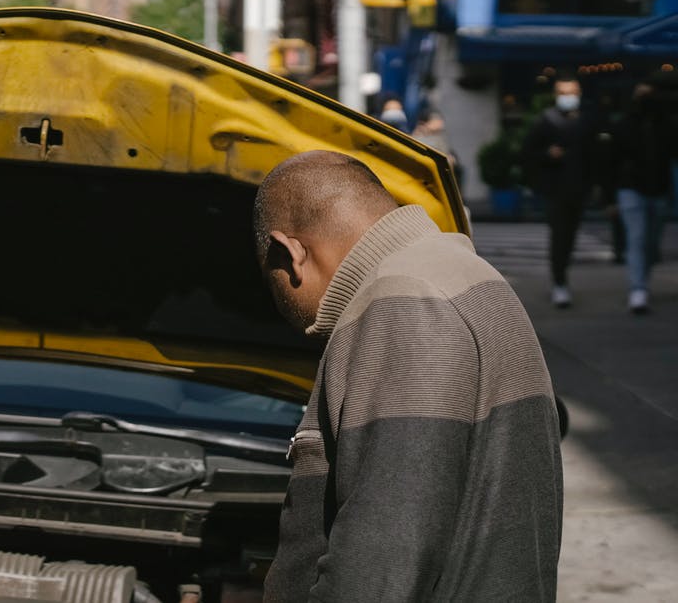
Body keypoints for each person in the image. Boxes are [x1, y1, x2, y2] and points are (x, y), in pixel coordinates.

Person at [254, 151, 563, 601]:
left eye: (272, 282)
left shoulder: (400, 300)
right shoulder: (457, 273)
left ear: (291, 252)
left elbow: (383, 561)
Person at [521, 75, 599, 308]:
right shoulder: (546, 121)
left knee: (570, 236)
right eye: (564, 93)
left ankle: (562, 278)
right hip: (555, 190)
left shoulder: (585, 120)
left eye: (573, 92)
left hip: (579, 188)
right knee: (560, 236)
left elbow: (594, 154)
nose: (569, 97)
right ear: (556, 95)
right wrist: (548, 154)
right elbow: (527, 154)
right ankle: (559, 282)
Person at [610, 80, 677, 314]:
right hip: (631, 189)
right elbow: (612, 161)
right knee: (637, 239)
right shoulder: (625, 125)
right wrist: (609, 196)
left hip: (657, 189)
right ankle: (638, 288)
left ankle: (642, 284)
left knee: (650, 242)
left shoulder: (665, 125)